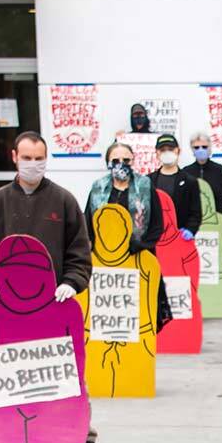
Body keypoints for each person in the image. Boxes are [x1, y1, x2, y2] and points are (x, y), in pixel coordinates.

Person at [0, 131, 95, 443]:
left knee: (65, 372)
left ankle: (81, 432)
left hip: (54, 303)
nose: (33, 164)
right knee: (12, 371)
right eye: (26, 158)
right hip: (9, 306)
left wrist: (72, 281)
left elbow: (79, 249)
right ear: (14, 157)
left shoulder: (64, 201)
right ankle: (1, 430)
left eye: (38, 158)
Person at [85, 139, 166, 326]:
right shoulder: (98, 188)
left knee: (139, 315)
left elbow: (156, 225)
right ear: (107, 163)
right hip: (105, 261)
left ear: (133, 161)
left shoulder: (145, 186)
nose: (121, 164)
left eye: (126, 160)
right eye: (115, 160)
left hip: (137, 256)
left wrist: (140, 245)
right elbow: (87, 222)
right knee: (110, 316)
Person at [147, 133, 204, 247]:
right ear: (157, 153)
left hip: (179, 240)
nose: (167, 152)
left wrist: (190, 230)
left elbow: (196, 213)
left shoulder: (190, 181)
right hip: (153, 241)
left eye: (170, 149)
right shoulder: (148, 181)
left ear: (178, 151)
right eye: (162, 150)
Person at [186, 129, 222, 216]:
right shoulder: (187, 172)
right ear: (192, 149)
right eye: (196, 147)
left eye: (204, 147)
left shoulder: (220, 170)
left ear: (210, 147)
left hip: (217, 217)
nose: (200, 150)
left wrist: (219, 199)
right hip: (193, 219)